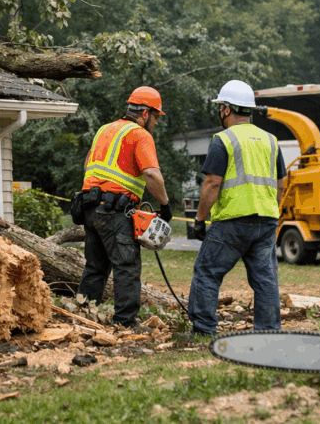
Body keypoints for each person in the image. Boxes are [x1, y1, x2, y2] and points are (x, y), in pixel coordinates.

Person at [186, 79, 286, 336]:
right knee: (265, 280)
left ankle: (204, 330)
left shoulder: (223, 139)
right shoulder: (271, 140)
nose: (220, 112)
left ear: (228, 109)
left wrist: (199, 219)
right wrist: (270, 209)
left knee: (207, 272)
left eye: (220, 107)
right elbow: (281, 184)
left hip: (232, 220)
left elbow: (212, 183)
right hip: (266, 221)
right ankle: (268, 332)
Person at [75, 86, 174, 328]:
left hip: (89, 208)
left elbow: (88, 164)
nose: (156, 123)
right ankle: (125, 322)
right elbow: (151, 173)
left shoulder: (104, 129)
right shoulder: (140, 135)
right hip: (115, 211)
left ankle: (83, 316)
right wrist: (165, 205)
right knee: (126, 265)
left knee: (95, 267)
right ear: (144, 114)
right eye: (155, 117)